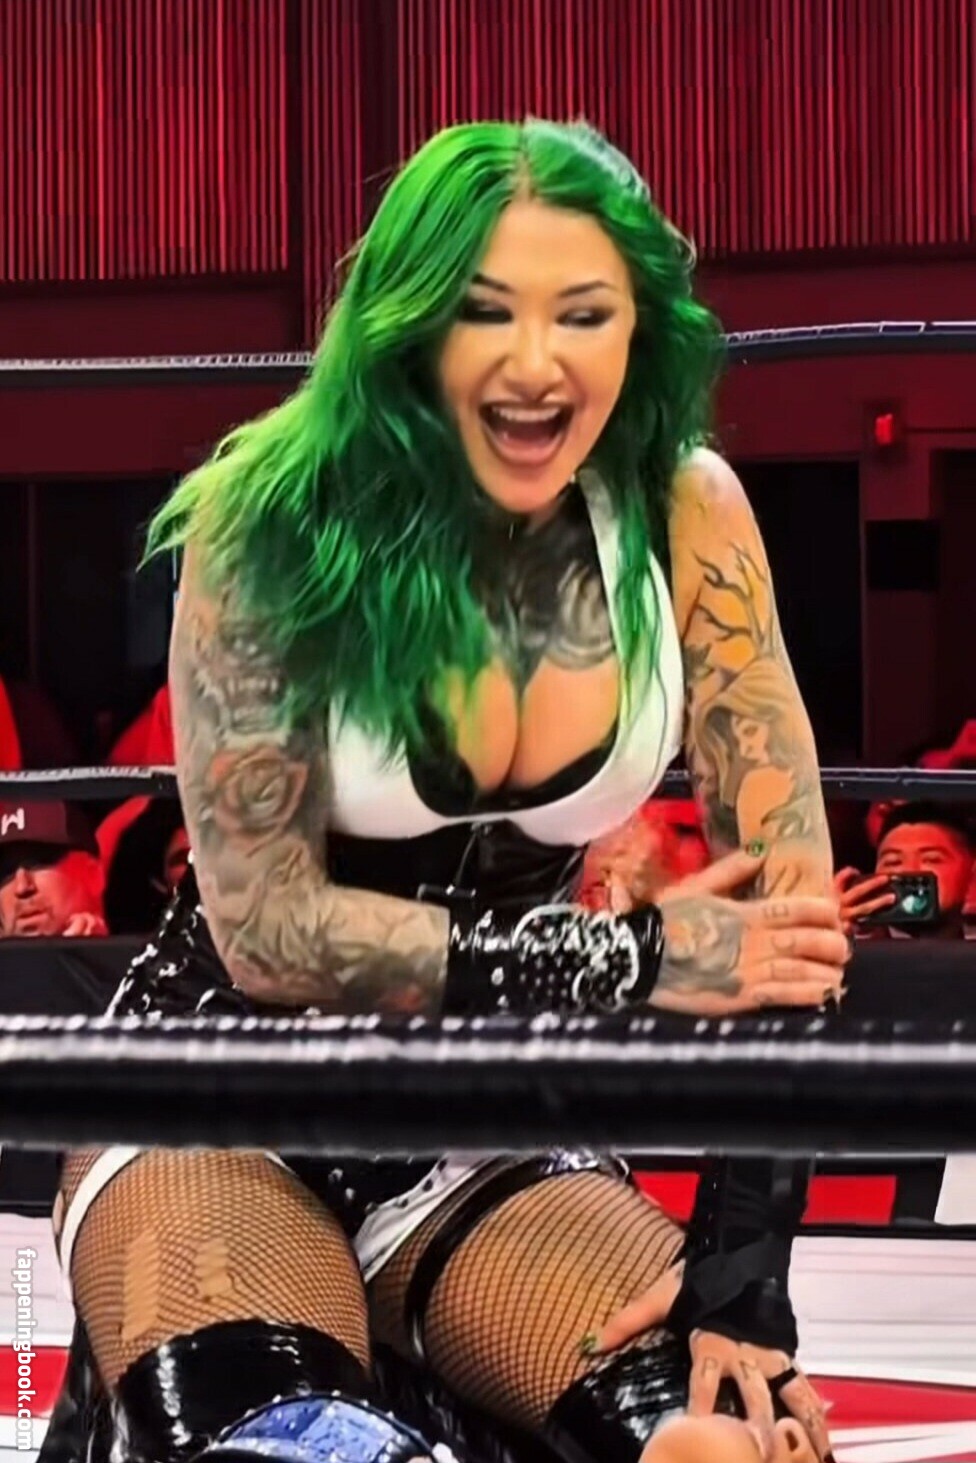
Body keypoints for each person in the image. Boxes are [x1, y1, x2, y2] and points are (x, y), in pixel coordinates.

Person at [47, 120, 846, 1463]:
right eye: (486, 311)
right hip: (222, 1096)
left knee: (729, 1440)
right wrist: (632, 958)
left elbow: (793, 921)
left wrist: (738, 1274)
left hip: (482, 1126)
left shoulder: (684, 514)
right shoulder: (273, 514)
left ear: (639, 328)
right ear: (406, 326)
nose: (536, 363)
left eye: (582, 313)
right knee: (288, 1446)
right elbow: (269, 927)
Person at [837, 802, 975, 940]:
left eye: (931, 859)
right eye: (893, 862)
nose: (909, 871)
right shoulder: (852, 942)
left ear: (972, 875)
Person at [0, 800, 107, 938]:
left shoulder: (132, 948)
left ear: (93, 874)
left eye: (39, 862)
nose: (22, 887)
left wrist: (96, 950)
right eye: (5, 872)